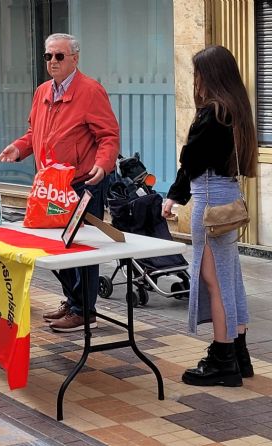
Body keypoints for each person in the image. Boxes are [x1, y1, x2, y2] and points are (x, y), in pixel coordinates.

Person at [0, 33, 120, 332]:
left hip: (83, 183)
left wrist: (103, 166)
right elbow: (34, 132)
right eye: (48, 56)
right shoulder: (42, 92)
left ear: (75, 58)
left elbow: (108, 136)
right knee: (53, 245)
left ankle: (84, 310)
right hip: (51, 186)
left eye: (59, 56)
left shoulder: (91, 91)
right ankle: (73, 300)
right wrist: (20, 148)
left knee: (82, 247)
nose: (52, 61)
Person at [163, 45, 257, 387]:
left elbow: (191, 161)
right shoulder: (237, 109)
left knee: (215, 283)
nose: (195, 79)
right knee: (230, 280)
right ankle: (239, 354)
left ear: (210, 76)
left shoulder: (212, 113)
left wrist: (173, 197)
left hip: (211, 201)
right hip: (228, 197)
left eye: (198, 72)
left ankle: (223, 358)